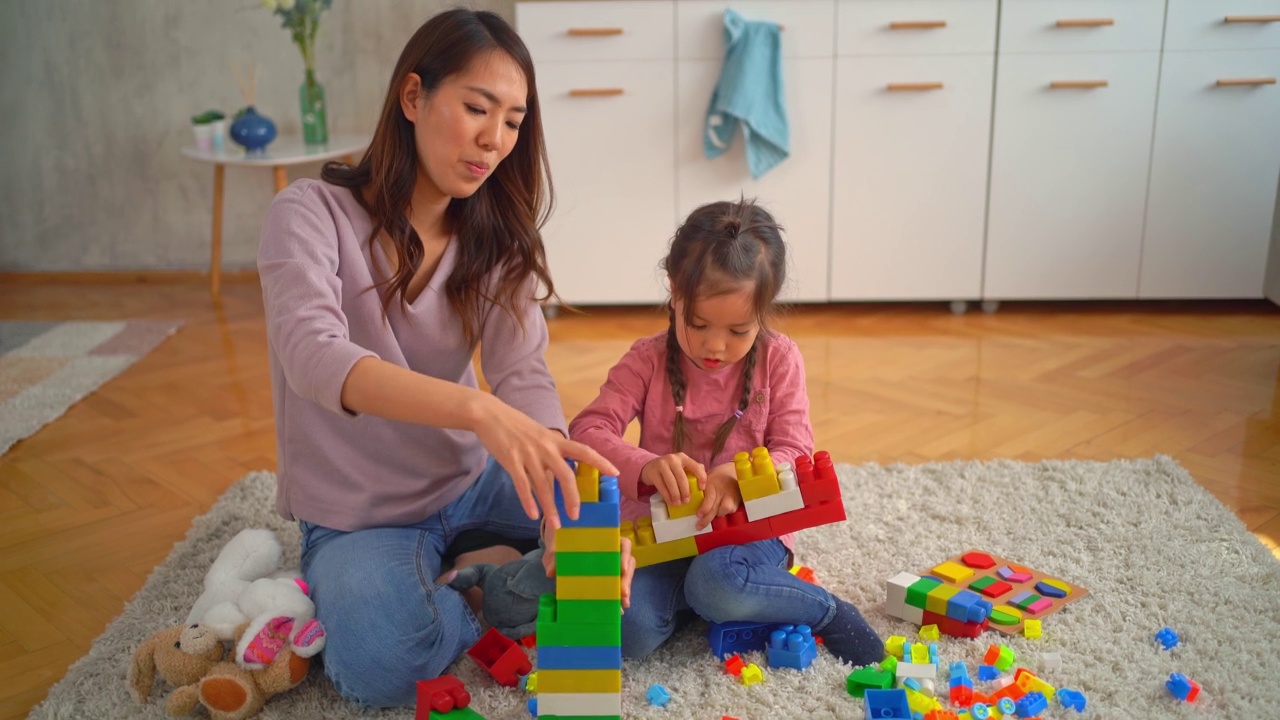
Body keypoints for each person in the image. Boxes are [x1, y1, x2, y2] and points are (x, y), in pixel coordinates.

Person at [257, 9, 630, 708]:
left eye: (514, 121)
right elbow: (313, 356)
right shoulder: (307, 214)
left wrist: (559, 490)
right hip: (361, 516)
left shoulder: (496, 237)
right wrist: (476, 409)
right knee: (381, 665)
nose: (495, 139)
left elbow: (521, 373)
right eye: (477, 108)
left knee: (625, 601)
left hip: (471, 479)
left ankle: (484, 567)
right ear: (413, 97)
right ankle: (479, 585)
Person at [567, 199, 885, 667]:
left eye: (739, 330)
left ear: (764, 312)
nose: (715, 346)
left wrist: (739, 478)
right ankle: (715, 603)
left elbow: (795, 450)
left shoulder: (779, 359)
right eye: (697, 324)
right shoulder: (647, 359)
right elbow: (587, 430)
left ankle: (825, 611)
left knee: (718, 581)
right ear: (674, 292)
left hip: (751, 531)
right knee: (623, 632)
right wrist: (646, 466)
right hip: (664, 531)